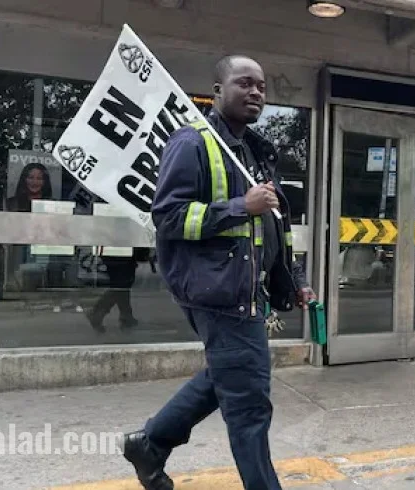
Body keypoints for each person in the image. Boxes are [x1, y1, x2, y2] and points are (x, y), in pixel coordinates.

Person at [121, 55, 316, 490]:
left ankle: (149, 444)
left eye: (262, 87)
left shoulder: (257, 151)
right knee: (249, 406)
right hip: (218, 293)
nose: (255, 93)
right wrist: (238, 207)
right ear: (217, 89)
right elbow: (168, 218)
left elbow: (275, 228)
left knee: (228, 375)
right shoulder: (192, 143)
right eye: (244, 83)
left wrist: (295, 280)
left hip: (248, 293)